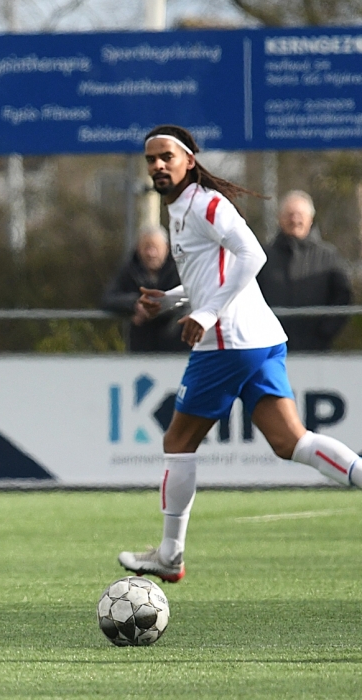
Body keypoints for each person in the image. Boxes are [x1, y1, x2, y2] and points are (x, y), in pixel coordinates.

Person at [117, 125, 362, 583]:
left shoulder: (205, 204)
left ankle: (170, 556)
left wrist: (207, 313)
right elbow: (210, 276)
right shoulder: (180, 209)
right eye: (151, 159)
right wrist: (169, 300)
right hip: (258, 338)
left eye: (167, 157)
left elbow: (252, 256)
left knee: (177, 443)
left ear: (189, 161)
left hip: (228, 341)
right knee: (291, 442)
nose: (158, 166)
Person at [256, 190, 352, 351]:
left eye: (300, 215)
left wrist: (325, 332)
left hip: (317, 350)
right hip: (272, 349)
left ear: (310, 219)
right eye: (290, 215)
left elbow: (343, 297)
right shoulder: (263, 256)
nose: (295, 220)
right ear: (280, 218)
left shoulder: (328, 256)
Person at [101, 223, 187, 352]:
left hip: (175, 348)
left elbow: (188, 300)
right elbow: (108, 299)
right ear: (138, 248)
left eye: (155, 248)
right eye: (146, 247)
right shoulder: (129, 269)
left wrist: (152, 308)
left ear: (167, 248)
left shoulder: (180, 270)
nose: (151, 253)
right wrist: (135, 304)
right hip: (141, 349)